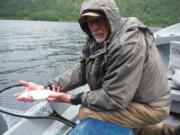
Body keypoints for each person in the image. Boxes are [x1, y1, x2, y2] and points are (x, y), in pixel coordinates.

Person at [16, 0, 179, 135]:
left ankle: (154, 127)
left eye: (98, 20)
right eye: (89, 23)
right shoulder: (98, 39)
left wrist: (69, 98)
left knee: (86, 111)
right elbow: (81, 72)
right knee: (91, 107)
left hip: (151, 105)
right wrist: (44, 88)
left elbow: (114, 98)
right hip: (132, 98)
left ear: (111, 18)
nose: (94, 27)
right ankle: (164, 131)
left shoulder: (129, 43)